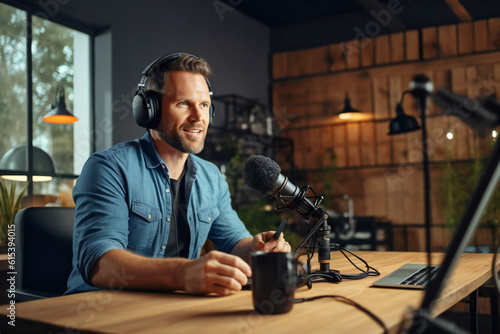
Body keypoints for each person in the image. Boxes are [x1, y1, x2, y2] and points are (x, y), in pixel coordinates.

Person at [66, 52, 290, 296]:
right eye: (183, 103)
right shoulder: (108, 168)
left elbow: (235, 241)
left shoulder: (211, 177)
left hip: (171, 311)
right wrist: (183, 274)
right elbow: (100, 264)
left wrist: (259, 249)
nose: (198, 117)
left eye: (204, 105)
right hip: (101, 313)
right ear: (149, 110)